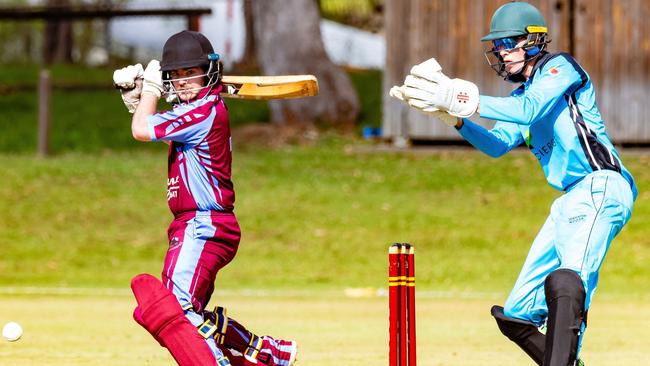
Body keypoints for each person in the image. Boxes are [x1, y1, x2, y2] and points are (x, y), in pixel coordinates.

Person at [390, 2, 636, 365]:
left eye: (509, 43)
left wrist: (459, 97)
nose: (502, 54)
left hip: (600, 186)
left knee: (568, 284)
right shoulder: (521, 97)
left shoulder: (560, 67)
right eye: (499, 46)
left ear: (534, 41)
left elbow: (529, 111)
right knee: (517, 316)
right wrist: (453, 121)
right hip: (568, 200)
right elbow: (497, 144)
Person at [113, 30, 298, 366]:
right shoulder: (198, 110)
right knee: (177, 315)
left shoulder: (205, 110)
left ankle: (232, 359)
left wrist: (150, 91)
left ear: (209, 70)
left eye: (191, 72)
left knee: (173, 310)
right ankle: (267, 352)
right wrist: (138, 99)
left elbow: (142, 130)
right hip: (194, 224)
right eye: (176, 75)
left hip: (204, 223)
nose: (183, 82)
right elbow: (158, 130)